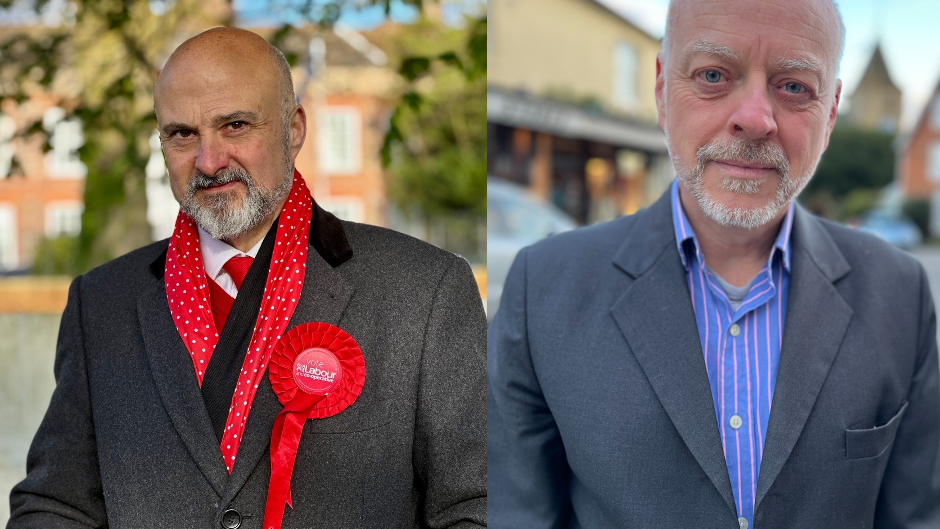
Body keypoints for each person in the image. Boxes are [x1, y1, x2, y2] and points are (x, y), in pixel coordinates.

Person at [8, 27, 486, 528]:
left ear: (294, 128)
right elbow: (56, 505)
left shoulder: (424, 292)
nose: (209, 161)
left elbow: (475, 506)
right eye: (182, 134)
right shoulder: (101, 302)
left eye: (234, 125)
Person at [487, 0, 940, 527]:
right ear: (661, 89)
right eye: (712, 75)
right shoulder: (540, 289)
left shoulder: (900, 292)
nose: (754, 119)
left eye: (794, 86)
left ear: (832, 112)